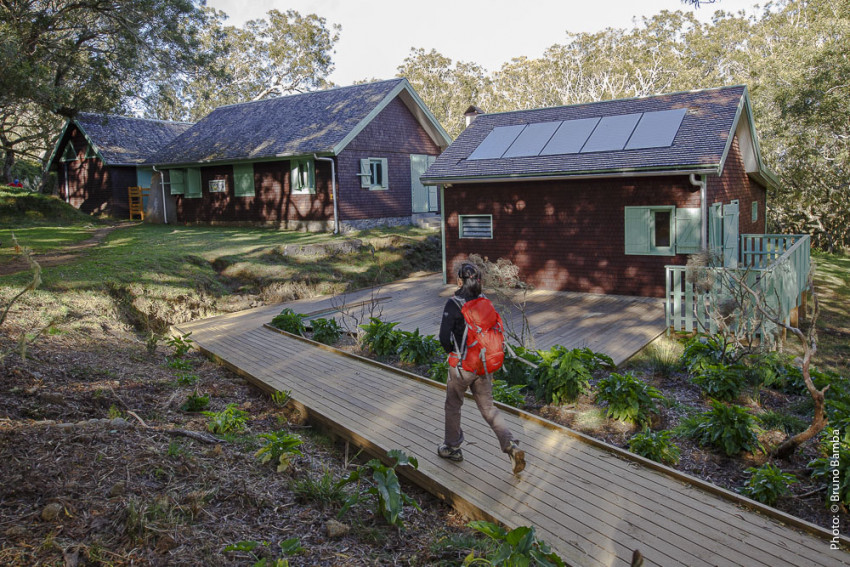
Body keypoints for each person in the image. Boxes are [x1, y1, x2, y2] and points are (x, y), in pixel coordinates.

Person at [437, 262, 526, 474]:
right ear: (479, 281)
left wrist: (454, 351)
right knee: (488, 409)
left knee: (453, 405)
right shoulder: (484, 300)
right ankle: (510, 444)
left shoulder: (454, 304)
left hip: (463, 367)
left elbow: (443, 338)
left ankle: (452, 448)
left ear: (460, 280)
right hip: (484, 365)